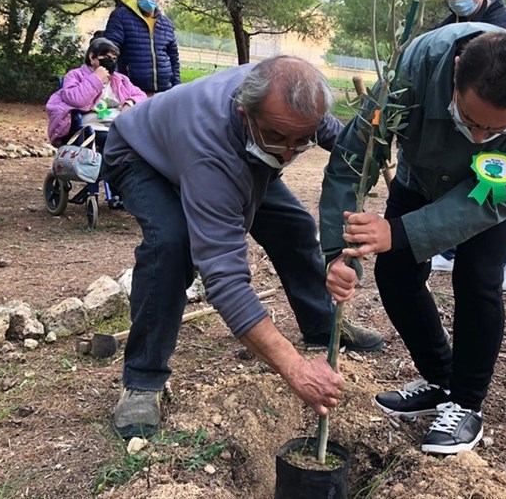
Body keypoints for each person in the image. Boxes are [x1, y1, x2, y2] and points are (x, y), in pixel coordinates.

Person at [319, 25, 506, 454]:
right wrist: (336, 254)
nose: (477, 138)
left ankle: (467, 403)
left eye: (495, 130)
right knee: (395, 272)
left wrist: (396, 231)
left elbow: (493, 200)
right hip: (423, 171)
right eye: (470, 120)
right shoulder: (412, 69)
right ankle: (440, 378)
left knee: (477, 277)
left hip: (494, 190)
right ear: (455, 73)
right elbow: (352, 159)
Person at [102, 55, 381, 439]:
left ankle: (321, 325)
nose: (288, 153)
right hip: (141, 155)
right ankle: (142, 380)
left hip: (242, 155)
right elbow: (225, 278)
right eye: (279, 137)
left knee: (295, 228)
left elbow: (332, 133)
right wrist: (295, 369)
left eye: (302, 140)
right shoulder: (210, 156)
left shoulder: (285, 106)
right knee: (171, 245)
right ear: (244, 112)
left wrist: (368, 151)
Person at [430, 0, 506, 292]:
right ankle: (448, 249)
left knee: (496, 182)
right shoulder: (448, 26)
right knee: (456, 181)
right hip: (463, 117)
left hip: (498, 123)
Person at [46, 36, 146, 150]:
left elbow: (141, 95)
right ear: (92, 57)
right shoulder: (75, 75)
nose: (111, 62)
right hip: (92, 125)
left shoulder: (120, 79)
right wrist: (96, 78)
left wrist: (130, 102)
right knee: (116, 141)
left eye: (114, 59)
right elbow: (76, 100)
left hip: (119, 125)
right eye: (106, 57)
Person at [104, 0, 180, 95]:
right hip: (132, 93)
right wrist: (118, 86)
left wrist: (177, 89)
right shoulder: (121, 16)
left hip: (164, 93)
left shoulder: (166, 24)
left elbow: (173, 59)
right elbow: (109, 51)